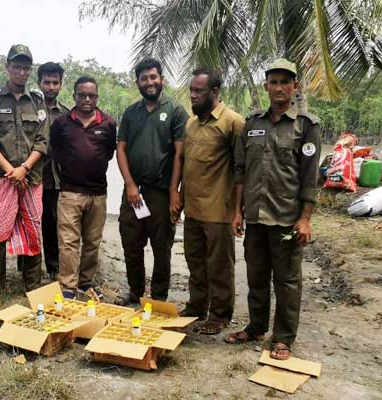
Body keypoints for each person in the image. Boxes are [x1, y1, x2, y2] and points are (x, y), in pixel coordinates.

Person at [226, 59, 321, 361]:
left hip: (286, 219)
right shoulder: (253, 124)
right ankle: (255, 328)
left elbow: (310, 177)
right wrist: (238, 211)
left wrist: (305, 219)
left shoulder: (306, 126)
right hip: (255, 216)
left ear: (295, 86)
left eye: (285, 82)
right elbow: (241, 171)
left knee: (287, 281)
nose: (279, 88)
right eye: (273, 82)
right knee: (255, 276)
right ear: (266, 86)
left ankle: (282, 338)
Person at [175, 68, 244, 334]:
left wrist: (239, 211)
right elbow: (186, 164)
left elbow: (241, 170)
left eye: (198, 91)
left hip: (219, 210)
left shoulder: (233, 123)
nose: (193, 95)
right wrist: (178, 197)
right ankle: (196, 307)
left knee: (220, 266)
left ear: (214, 92)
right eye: (191, 90)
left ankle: (219, 315)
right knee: (195, 262)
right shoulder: (191, 124)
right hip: (193, 210)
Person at [0, 44, 47, 310]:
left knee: (33, 230)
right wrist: (11, 170)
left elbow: (43, 140)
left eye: (26, 67)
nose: (21, 71)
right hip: (2, 177)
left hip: (31, 178)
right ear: (7, 67)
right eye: (17, 66)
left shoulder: (38, 100)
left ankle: (32, 286)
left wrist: (25, 169)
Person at [116, 58, 189, 305]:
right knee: (131, 244)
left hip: (161, 193)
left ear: (161, 79)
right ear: (137, 82)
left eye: (153, 77)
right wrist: (129, 185)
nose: (149, 82)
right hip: (135, 194)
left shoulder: (176, 111)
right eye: (144, 78)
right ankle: (135, 293)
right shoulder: (130, 113)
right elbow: (121, 149)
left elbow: (180, 154)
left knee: (161, 247)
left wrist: (174, 191)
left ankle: (158, 297)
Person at [50, 76, 117, 300]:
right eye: (82, 95)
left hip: (98, 193)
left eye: (91, 95)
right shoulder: (61, 123)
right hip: (70, 192)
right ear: (74, 96)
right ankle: (68, 286)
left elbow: (108, 153)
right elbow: (57, 153)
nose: (87, 99)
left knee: (92, 241)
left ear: (97, 97)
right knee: (68, 242)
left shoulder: (108, 123)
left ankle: (86, 282)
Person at [17, 62, 70, 281]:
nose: (50, 87)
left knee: (51, 221)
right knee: (24, 221)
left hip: (53, 177)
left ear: (60, 84)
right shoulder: (27, 107)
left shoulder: (66, 114)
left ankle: (53, 267)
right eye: (46, 82)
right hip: (27, 175)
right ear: (39, 83)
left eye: (55, 82)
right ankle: (24, 265)